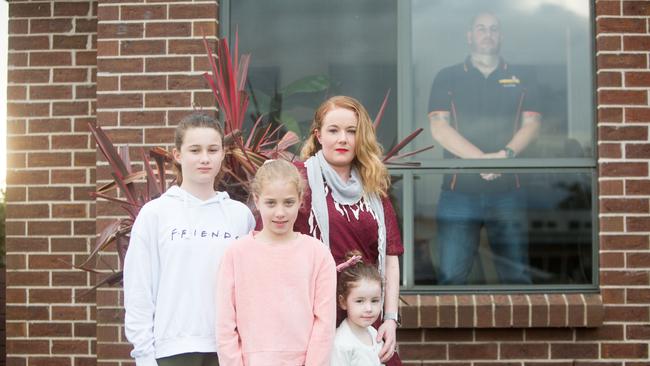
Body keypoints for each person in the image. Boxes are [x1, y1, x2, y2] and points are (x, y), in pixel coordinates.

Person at [123, 113, 256, 366]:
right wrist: (144, 355)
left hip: (227, 350)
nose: (204, 158)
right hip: (172, 350)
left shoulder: (240, 216)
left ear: (222, 154)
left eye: (212, 149)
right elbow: (138, 290)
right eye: (195, 150)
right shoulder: (155, 214)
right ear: (177, 155)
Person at [428, 12, 542, 285]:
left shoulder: (523, 76)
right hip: (458, 193)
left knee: (516, 277)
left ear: (500, 36)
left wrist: (503, 157)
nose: (487, 34)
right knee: (451, 277)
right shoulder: (448, 76)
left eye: (493, 29)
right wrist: (482, 160)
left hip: (508, 193)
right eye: (481, 29)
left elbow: (533, 124)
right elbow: (439, 128)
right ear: (470, 36)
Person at [295, 95, 404, 365]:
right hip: (316, 314)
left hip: (365, 313)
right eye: (333, 130)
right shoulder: (299, 180)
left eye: (351, 131)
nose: (342, 139)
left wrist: (390, 319)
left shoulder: (374, 186)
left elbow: (390, 258)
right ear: (318, 135)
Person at [216, 159, 337, 366]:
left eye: (288, 202)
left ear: (300, 200)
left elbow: (324, 324)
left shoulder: (318, 254)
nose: (280, 212)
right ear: (257, 199)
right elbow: (225, 324)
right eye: (271, 203)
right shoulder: (236, 254)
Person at [331, 251, 385, 366]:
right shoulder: (341, 343)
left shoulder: (374, 333)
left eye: (375, 300)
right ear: (343, 302)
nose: (369, 308)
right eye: (360, 301)